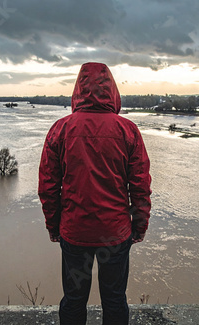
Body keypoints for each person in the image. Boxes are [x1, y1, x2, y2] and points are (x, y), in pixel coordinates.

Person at [38, 62, 152, 325]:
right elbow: (140, 187)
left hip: (75, 232)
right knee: (114, 299)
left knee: (74, 299)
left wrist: (53, 226)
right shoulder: (128, 131)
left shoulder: (61, 129)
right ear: (112, 91)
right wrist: (139, 226)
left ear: (77, 90)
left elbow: (48, 186)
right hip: (115, 233)